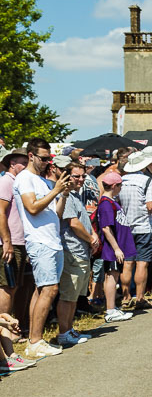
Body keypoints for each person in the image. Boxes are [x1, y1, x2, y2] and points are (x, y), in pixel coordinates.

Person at [14, 138, 70, 359]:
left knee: (42, 290)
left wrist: (63, 194)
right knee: (50, 290)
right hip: (40, 241)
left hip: (52, 240)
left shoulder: (42, 181)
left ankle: (34, 340)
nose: (48, 162)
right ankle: (35, 341)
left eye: (50, 158)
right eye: (44, 158)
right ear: (31, 156)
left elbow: (55, 213)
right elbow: (32, 207)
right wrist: (56, 190)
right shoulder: (25, 178)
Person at [54, 161, 98, 347]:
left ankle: (69, 328)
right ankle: (63, 332)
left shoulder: (76, 195)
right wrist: (91, 238)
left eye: (82, 176)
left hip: (81, 251)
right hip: (72, 250)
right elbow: (72, 222)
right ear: (66, 176)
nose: (80, 179)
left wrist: (92, 236)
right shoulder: (66, 196)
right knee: (68, 295)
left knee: (75, 296)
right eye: (76, 176)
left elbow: (83, 220)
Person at [118, 150, 152, 310]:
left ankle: (125, 297)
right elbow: (151, 205)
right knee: (142, 264)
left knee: (127, 264)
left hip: (126, 227)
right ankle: (140, 297)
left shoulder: (121, 180)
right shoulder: (146, 181)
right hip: (144, 226)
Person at [97, 172, 134, 322]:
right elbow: (106, 228)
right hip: (112, 247)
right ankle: (110, 310)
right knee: (111, 276)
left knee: (115, 274)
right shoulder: (106, 203)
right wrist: (116, 248)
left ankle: (113, 308)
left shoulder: (112, 201)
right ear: (114, 186)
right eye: (120, 185)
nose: (121, 188)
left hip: (118, 245)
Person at [0, 150, 29, 328]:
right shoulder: (5, 182)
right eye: (23, 163)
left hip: (19, 242)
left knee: (14, 287)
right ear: (12, 163)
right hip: (9, 243)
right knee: (6, 287)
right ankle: (4, 332)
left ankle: (11, 328)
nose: (26, 167)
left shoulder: (18, 182)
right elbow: (0, 212)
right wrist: (7, 242)